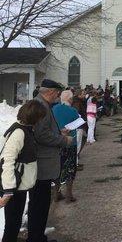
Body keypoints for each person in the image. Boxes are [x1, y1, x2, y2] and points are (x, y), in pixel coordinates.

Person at [27, 79, 73, 242]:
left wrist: (58, 131)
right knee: (39, 204)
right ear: (51, 92)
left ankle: (38, 236)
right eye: (57, 93)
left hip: (43, 163)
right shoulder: (40, 106)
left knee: (41, 203)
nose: (57, 96)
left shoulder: (42, 104)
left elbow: (46, 130)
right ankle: (35, 237)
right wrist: (63, 140)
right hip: (42, 163)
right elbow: (41, 135)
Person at [0, 101, 46, 242]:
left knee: (14, 223)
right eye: (40, 117)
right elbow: (7, 159)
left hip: (19, 186)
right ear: (34, 117)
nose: (40, 120)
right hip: (14, 188)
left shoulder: (24, 129)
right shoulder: (19, 132)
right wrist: (8, 189)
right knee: (12, 226)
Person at [52, 90, 80, 203]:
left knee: (57, 168)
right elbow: (78, 123)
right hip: (70, 143)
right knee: (70, 168)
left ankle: (56, 194)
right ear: (70, 99)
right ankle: (69, 194)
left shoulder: (54, 109)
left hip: (57, 143)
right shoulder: (73, 110)